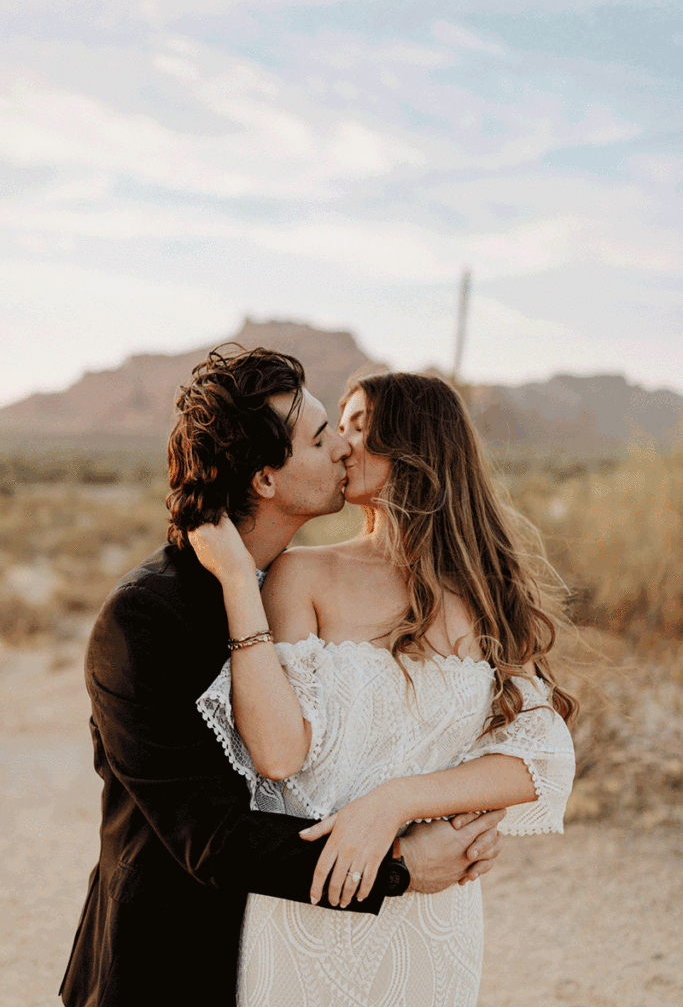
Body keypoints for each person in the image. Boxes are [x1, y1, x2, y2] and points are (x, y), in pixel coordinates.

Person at [59, 347, 505, 1007]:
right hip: (172, 966)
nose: (344, 451)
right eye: (322, 437)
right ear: (266, 478)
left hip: (316, 958)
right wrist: (402, 867)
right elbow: (211, 837)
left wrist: (447, 806)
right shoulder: (144, 620)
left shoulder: (315, 587)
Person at [191, 369, 578, 1007]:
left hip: (435, 912)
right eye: (335, 431)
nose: (342, 446)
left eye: (360, 429)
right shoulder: (301, 575)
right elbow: (279, 754)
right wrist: (238, 581)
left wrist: (393, 803)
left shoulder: (485, 592)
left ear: (417, 448)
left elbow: (542, 760)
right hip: (311, 908)